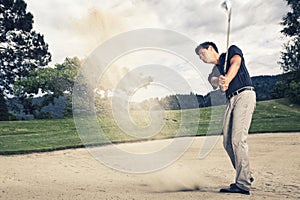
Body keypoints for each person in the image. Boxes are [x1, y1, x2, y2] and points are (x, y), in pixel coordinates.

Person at [195, 42, 256, 195]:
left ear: (210, 48)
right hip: (231, 100)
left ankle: (242, 184)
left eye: (202, 53)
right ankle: (245, 175)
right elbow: (214, 82)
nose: (201, 58)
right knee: (227, 141)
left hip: (244, 94)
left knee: (237, 139)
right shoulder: (214, 71)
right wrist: (221, 82)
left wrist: (227, 78)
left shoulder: (231, 51)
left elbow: (236, 63)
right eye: (199, 57)